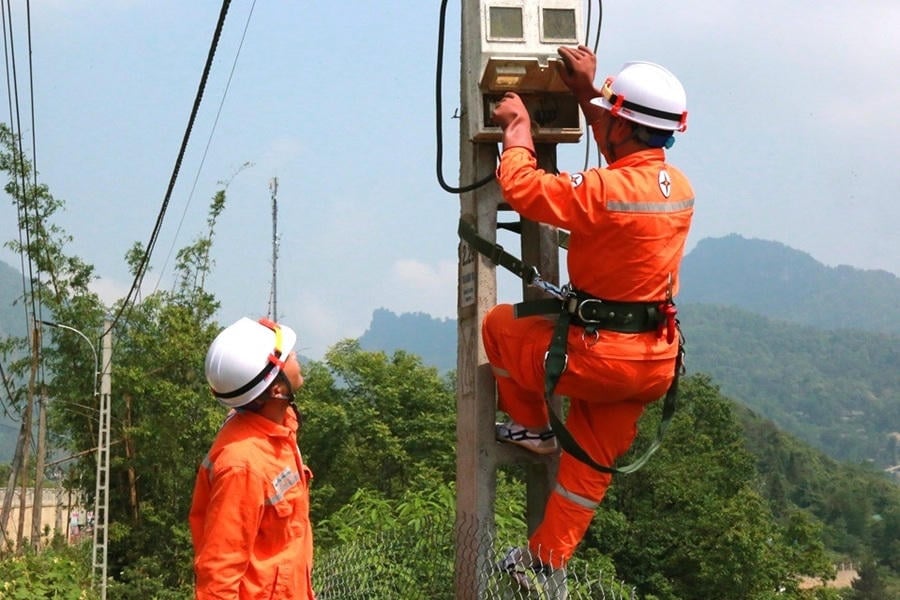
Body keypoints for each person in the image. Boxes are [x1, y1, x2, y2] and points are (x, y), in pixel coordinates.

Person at [485, 45, 694, 584]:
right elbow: (625, 158)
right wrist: (585, 91)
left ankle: (532, 428)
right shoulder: (677, 190)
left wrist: (517, 130)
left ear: (621, 124)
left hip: (601, 357)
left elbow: (525, 190)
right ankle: (543, 561)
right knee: (589, 468)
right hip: (652, 363)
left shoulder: (605, 191)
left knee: (502, 327)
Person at [189, 317, 315, 599]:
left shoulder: (279, 428)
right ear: (276, 390)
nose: (297, 357)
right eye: (290, 357)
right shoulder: (243, 466)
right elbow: (219, 575)